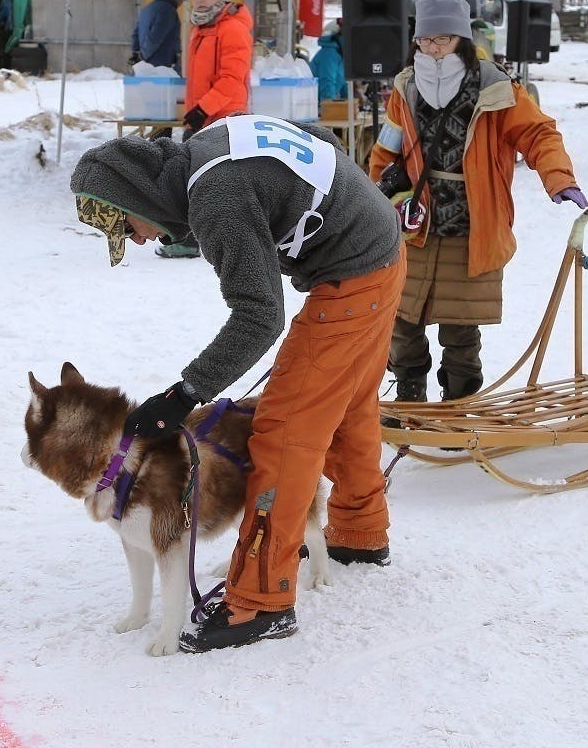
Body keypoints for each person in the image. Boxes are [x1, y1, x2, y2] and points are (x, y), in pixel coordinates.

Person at [70, 116, 404, 652]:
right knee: (345, 406)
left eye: (127, 228)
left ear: (138, 199)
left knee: (284, 430)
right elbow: (313, 133)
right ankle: (360, 531)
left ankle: (261, 601)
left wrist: (185, 393)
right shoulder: (207, 149)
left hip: (356, 270)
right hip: (378, 245)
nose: (135, 241)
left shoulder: (215, 197)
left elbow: (259, 316)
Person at [369, 0, 587, 404]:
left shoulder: (497, 89)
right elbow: (387, 147)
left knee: (460, 324)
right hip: (414, 221)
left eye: (442, 39)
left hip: (472, 223)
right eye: (425, 40)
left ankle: (459, 400)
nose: (432, 48)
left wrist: (559, 178)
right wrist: (377, 193)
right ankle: (409, 394)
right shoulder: (406, 87)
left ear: (462, 39)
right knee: (402, 316)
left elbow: (539, 133)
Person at [157, 0, 254, 259]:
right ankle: (192, 238)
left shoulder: (233, 28)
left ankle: (217, 240)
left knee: (214, 182)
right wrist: (193, 111)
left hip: (223, 118)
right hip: (201, 116)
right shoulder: (200, 28)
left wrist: (202, 110)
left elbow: (231, 78)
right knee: (196, 180)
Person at [129, 0, 188, 69]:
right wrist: (142, 57)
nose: (181, 3)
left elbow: (135, 34)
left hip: (144, 67)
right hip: (161, 67)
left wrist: (136, 56)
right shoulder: (168, 10)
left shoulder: (147, 8)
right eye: (182, 0)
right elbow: (155, 37)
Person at [310, 18, 347, 102]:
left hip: (326, 105)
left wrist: (350, 101)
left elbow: (344, 82)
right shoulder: (329, 53)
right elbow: (327, 82)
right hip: (318, 106)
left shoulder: (340, 54)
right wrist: (330, 106)